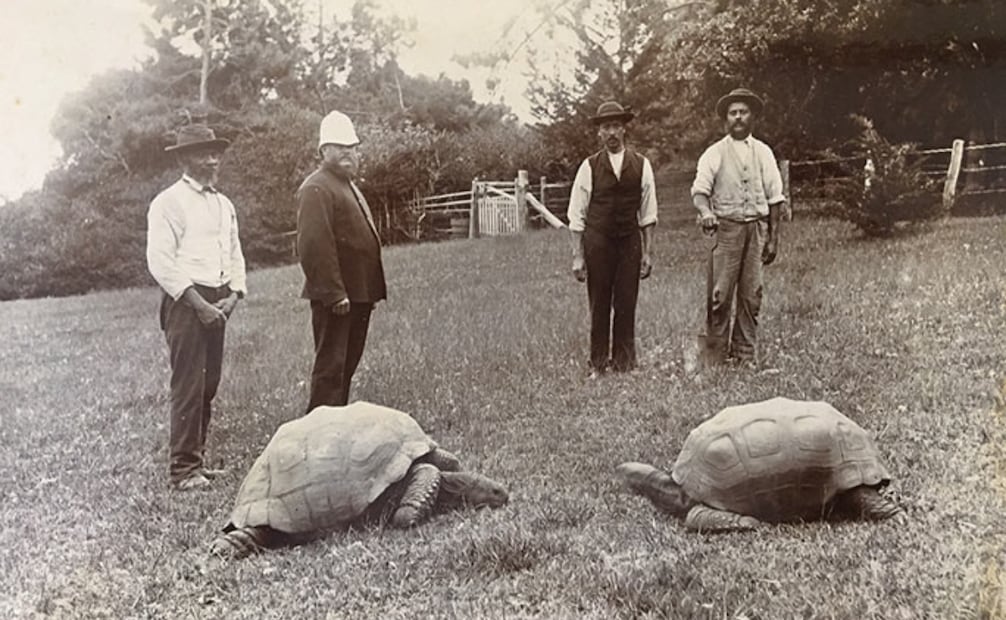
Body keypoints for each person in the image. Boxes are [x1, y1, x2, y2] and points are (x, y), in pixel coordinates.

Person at [146, 123, 247, 491]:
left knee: (208, 383)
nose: (213, 159)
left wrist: (234, 295)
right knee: (188, 384)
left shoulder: (223, 203)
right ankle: (183, 469)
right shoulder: (168, 202)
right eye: (204, 153)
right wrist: (198, 304)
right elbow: (160, 261)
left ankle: (196, 460)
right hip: (185, 302)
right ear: (184, 159)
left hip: (218, 298)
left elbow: (234, 251)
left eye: (216, 152)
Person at [296, 110, 386, 411]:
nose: (348, 152)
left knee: (346, 368)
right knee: (330, 371)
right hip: (337, 298)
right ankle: (319, 430)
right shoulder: (316, 187)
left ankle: (337, 426)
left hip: (358, 294)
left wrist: (367, 291)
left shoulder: (346, 185)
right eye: (339, 146)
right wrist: (334, 293)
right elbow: (313, 246)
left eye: (352, 147)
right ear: (324, 150)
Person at [690, 88, 786, 366]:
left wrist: (773, 239)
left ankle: (744, 356)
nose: (738, 117)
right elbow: (699, 192)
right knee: (719, 296)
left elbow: (775, 198)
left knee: (752, 294)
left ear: (752, 116)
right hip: (726, 231)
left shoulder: (764, 153)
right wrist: (706, 212)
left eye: (743, 112)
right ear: (726, 119)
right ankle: (715, 357)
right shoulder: (714, 153)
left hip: (756, 230)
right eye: (733, 113)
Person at [567, 101, 658, 376]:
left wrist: (648, 252)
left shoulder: (641, 165)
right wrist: (578, 255)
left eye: (616, 126)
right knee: (600, 302)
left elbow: (648, 213)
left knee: (626, 301)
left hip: (629, 241)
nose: (611, 133)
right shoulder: (589, 167)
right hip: (599, 241)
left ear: (624, 129)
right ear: (599, 132)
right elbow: (577, 214)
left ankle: (625, 363)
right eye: (606, 127)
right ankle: (598, 363)